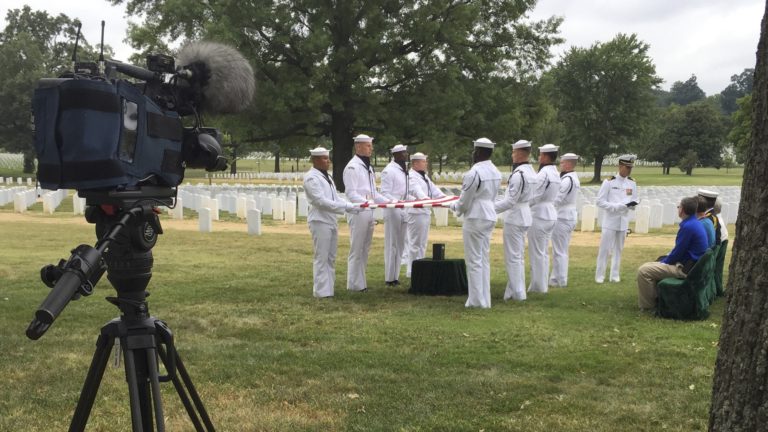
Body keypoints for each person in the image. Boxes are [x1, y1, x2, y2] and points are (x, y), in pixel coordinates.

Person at [448, 138, 502, 308]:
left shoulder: (474, 173)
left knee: (474, 260)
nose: (473, 154)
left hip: (476, 216)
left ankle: (476, 301)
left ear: (478, 152)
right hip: (489, 214)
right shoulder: (496, 171)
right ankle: (485, 299)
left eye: (474, 151)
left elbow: (464, 202)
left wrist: (453, 206)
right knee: (483, 258)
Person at [303, 147, 361, 298]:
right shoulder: (311, 178)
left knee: (331, 257)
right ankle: (321, 291)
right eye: (324, 158)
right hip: (320, 220)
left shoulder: (326, 176)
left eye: (328, 158)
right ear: (315, 160)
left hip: (330, 220)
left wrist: (353, 206)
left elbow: (335, 198)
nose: (328, 161)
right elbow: (320, 201)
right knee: (321, 256)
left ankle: (329, 289)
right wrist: (346, 206)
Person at [636, 196, 709, 310]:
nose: (678, 209)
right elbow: (680, 250)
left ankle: (648, 306)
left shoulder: (688, 226)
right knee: (650, 265)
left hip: (685, 269)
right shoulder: (694, 223)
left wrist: (665, 262)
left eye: (678, 207)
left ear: (682, 210)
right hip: (690, 265)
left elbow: (678, 253)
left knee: (644, 271)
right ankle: (658, 300)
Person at [343, 134, 389, 292]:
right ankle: (354, 283)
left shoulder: (367, 166)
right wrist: (368, 203)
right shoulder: (352, 167)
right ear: (358, 147)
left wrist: (390, 202)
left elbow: (373, 192)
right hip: (359, 211)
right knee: (357, 248)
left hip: (368, 210)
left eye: (371, 145)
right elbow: (351, 193)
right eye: (368, 146)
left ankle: (361, 283)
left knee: (365, 248)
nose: (371, 149)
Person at [494, 139, 537, 301]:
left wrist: (490, 209)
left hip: (515, 216)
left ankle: (519, 293)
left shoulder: (519, 174)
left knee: (513, 256)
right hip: (525, 214)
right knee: (518, 256)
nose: (512, 155)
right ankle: (512, 291)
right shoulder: (531, 172)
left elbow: (510, 201)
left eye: (513, 152)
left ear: (520, 153)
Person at [595, 155, 638, 284]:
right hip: (610, 221)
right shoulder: (609, 182)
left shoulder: (632, 182)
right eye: (627, 167)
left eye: (630, 168)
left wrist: (632, 205)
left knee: (618, 250)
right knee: (605, 250)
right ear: (620, 166)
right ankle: (600, 276)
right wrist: (616, 207)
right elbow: (600, 202)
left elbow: (634, 199)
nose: (629, 170)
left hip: (623, 221)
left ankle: (614, 275)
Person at [405, 152, 446, 278]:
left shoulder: (424, 176)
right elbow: (419, 193)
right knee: (415, 244)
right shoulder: (411, 176)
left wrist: (445, 198)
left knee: (422, 243)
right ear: (416, 163)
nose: (426, 163)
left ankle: (420, 269)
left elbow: (435, 190)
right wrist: (429, 200)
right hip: (416, 213)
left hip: (425, 211)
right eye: (424, 162)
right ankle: (411, 271)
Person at [527, 144, 561, 293]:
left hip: (539, 214)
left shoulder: (543, 174)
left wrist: (522, 204)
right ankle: (542, 284)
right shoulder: (555, 172)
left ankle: (538, 286)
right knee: (543, 252)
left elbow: (536, 195)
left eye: (541, 155)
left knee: (537, 252)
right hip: (550, 213)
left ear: (546, 156)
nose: (539, 157)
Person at [549, 152, 581, 288]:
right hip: (569, 215)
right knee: (561, 249)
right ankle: (555, 278)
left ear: (568, 164)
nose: (560, 165)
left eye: (562, 162)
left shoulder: (567, 179)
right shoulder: (573, 177)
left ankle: (560, 280)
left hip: (563, 216)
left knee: (559, 251)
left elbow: (557, 198)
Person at [380, 144, 411, 286]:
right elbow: (385, 192)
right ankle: (389, 277)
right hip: (393, 208)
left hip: (403, 207)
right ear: (397, 155)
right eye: (403, 153)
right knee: (392, 243)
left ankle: (395, 276)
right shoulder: (389, 171)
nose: (406, 155)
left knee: (400, 244)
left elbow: (405, 191)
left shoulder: (403, 170)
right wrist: (395, 202)